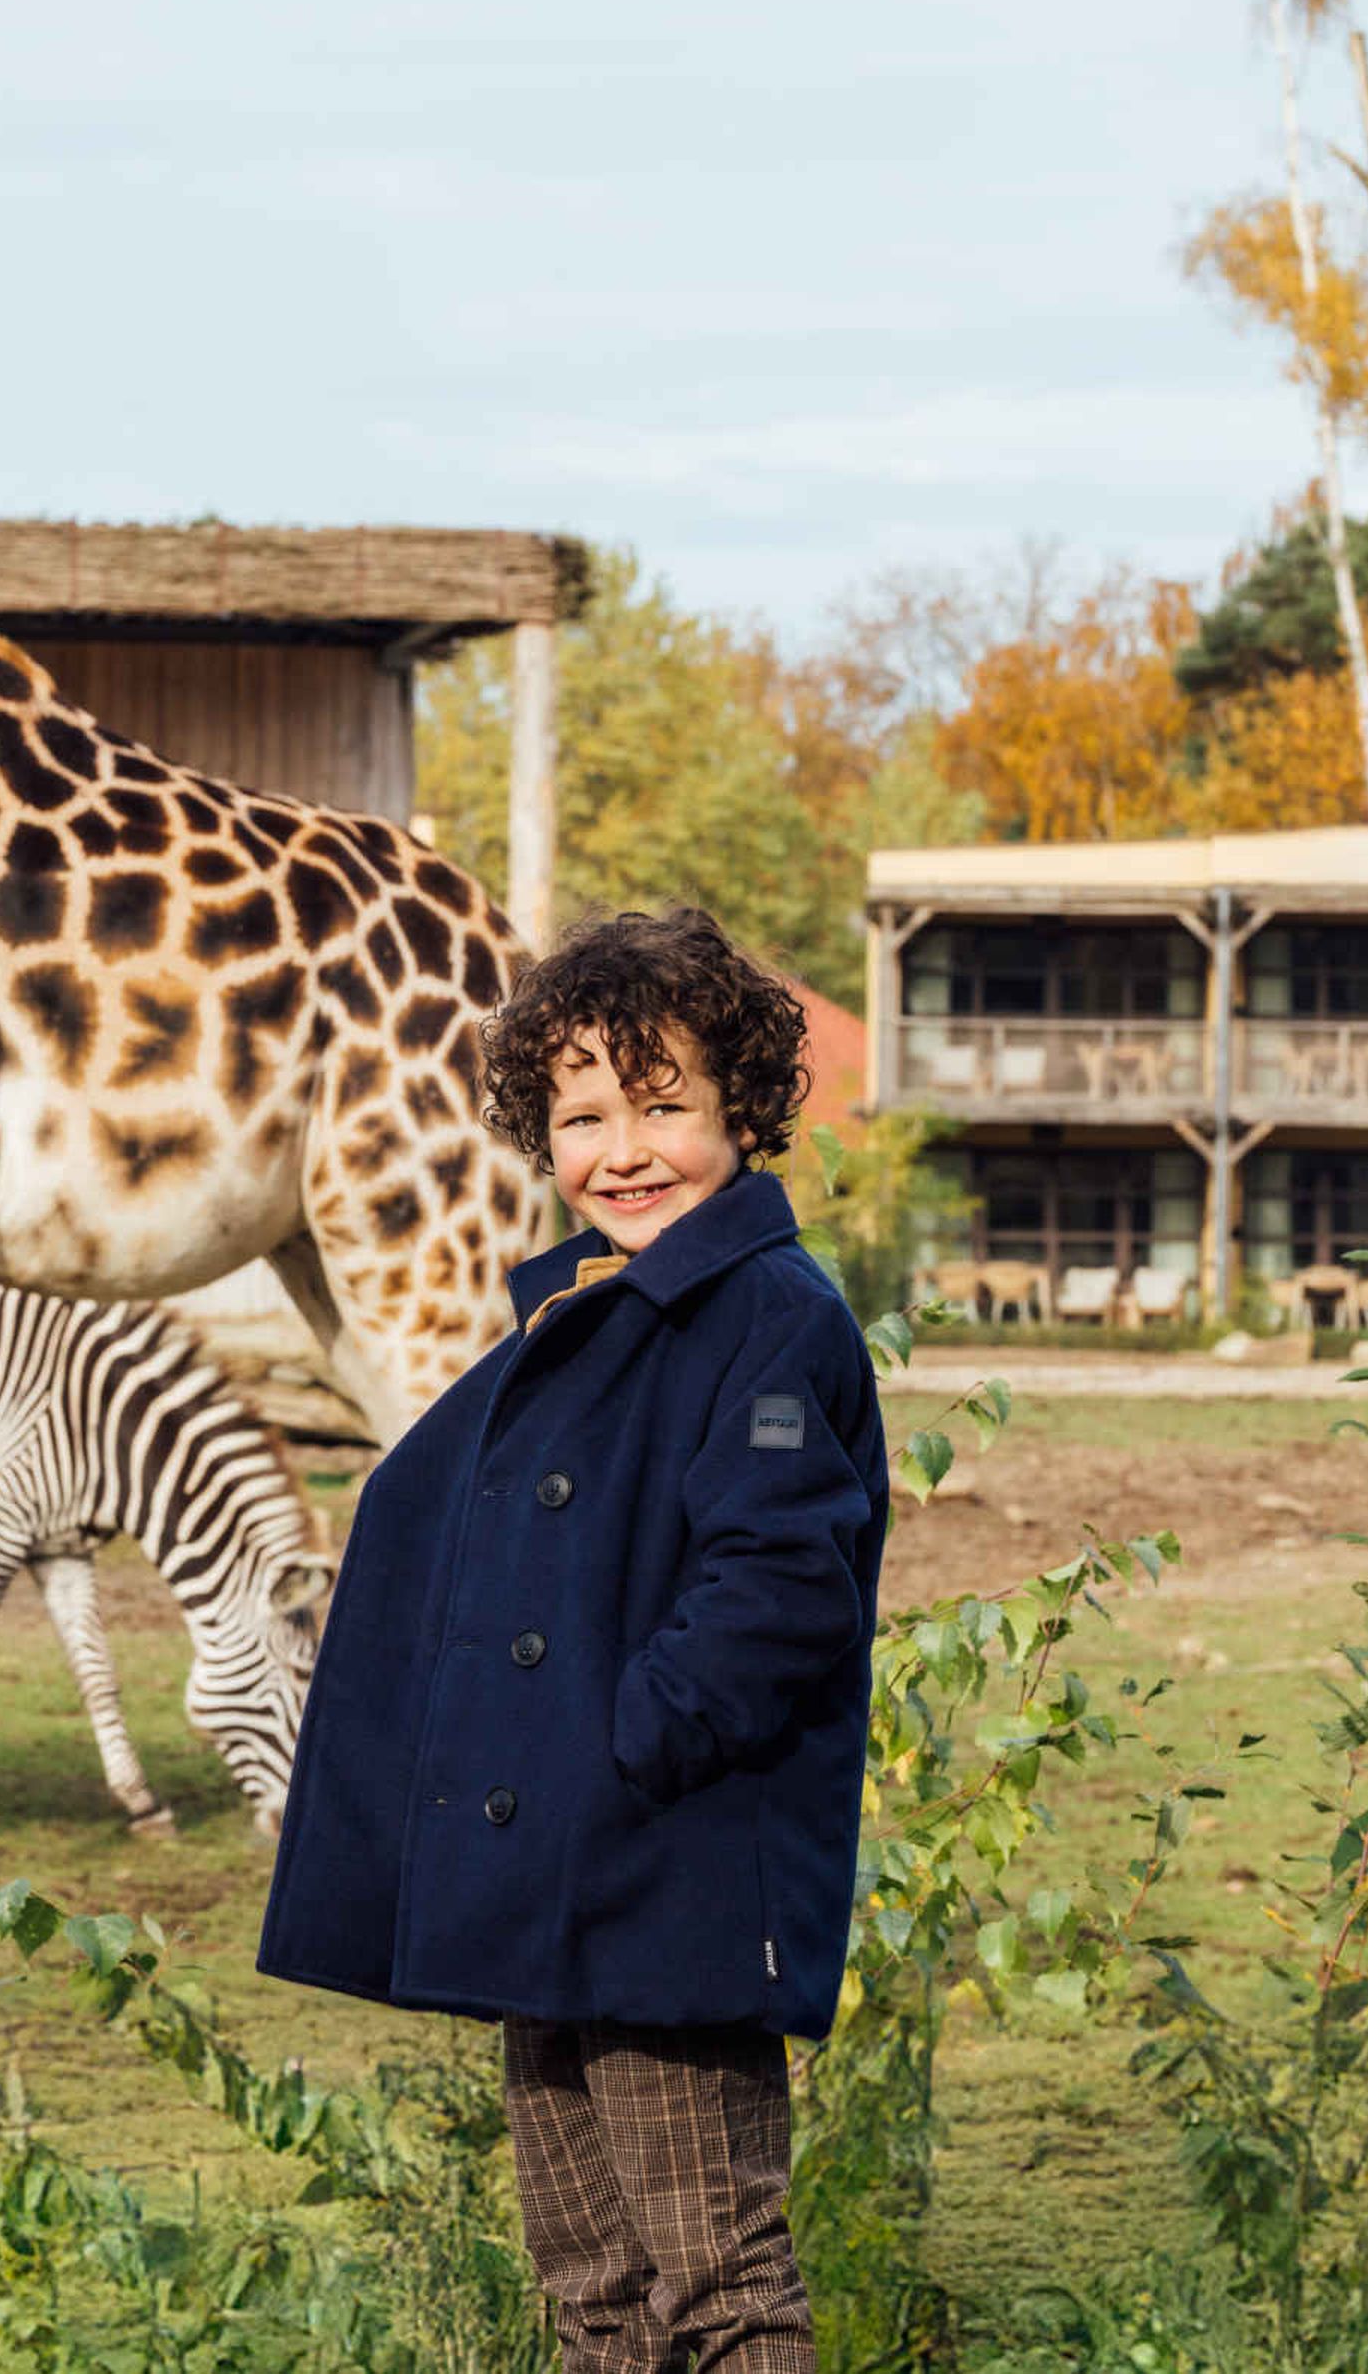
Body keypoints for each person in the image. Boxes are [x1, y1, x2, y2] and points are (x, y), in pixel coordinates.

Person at [259, 904, 890, 2373]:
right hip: (557, 1880)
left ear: (742, 1107)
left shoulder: (768, 1321)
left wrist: (626, 1740)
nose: (623, 1150)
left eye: (662, 1106)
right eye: (584, 1115)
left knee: (720, 2282)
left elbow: (778, 1580)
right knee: (593, 2287)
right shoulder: (589, 1313)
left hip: (665, 1868)